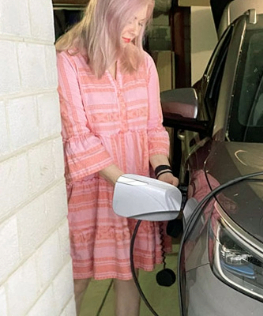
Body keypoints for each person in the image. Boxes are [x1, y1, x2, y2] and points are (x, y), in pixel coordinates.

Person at [55, 0, 178, 315]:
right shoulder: (69, 62)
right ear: (107, 12)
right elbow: (76, 137)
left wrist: (162, 171)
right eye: (130, 20)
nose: (135, 30)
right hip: (91, 186)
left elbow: (153, 128)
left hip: (135, 181)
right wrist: (125, 183)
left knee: (129, 275)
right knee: (77, 278)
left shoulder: (144, 63)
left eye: (141, 23)